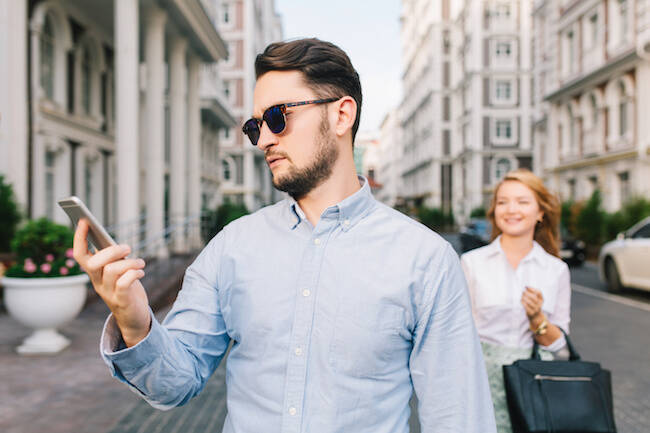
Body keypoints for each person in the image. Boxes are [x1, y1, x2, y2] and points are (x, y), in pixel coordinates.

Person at [74, 38, 496, 433]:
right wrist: (133, 319)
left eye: (279, 117)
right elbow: (174, 385)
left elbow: (458, 415)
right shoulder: (232, 246)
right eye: (256, 126)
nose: (265, 140)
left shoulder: (425, 258)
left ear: (341, 115)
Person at [460, 169, 571, 433]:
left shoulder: (555, 270)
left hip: (533, 384)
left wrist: (537, 319)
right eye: (502, 202)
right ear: (494, 211)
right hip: (481, 382)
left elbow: (562, 351)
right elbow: (459, 336)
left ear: (540, 212)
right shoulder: (472, 263)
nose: (511, 209)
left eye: (522, 201)